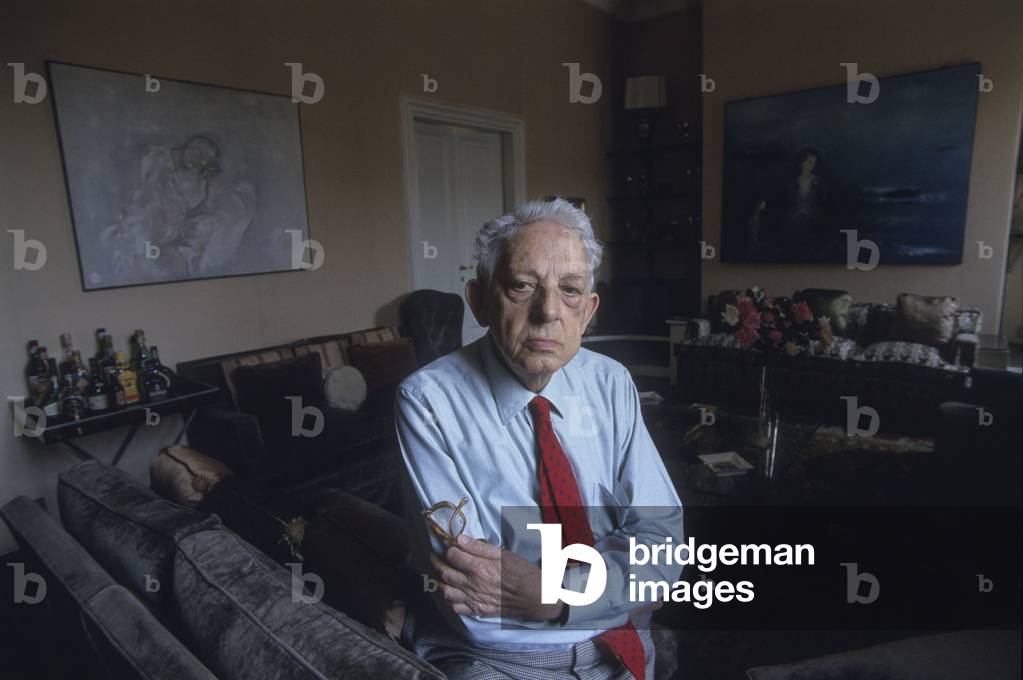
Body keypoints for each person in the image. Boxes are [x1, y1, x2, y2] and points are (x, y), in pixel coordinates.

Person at [395, 198, 684, 680]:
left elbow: (665, 549)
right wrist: (621, 587)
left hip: (628, 650)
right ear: (480, 300)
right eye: (522, 286)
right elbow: (478, 611)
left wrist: (551, 594)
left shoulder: (611, 384)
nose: (548, 311)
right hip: (504, 663)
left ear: (588, 311)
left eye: (569, 290)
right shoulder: (428, 402)